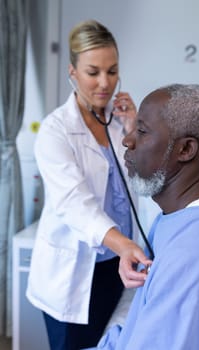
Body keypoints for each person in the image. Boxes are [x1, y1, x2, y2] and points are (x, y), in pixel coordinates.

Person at [26, 19, 152, 350]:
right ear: (73, 72)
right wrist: (123, 244)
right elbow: (74, 202)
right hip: (73, 273)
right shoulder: (55, 131)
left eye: (112, 71)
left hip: (115, 268)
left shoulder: (117, 122)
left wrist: (133, 131)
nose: (105, 82)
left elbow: (142, 185)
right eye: (93, 72)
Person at [87, 83, 199, 349]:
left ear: (185, 150)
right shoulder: (188, 215)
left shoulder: (192, 260)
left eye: (141, 131)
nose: (127, 140)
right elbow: (139, 328)